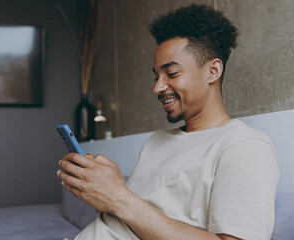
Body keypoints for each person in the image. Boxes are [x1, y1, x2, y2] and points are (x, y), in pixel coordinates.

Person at [57, 3, 279, 240]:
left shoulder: (243, 146)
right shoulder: (157, 141)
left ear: (213, 71)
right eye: (156, 76)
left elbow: (128, 207)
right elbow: (132, 223)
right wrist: (102, 191)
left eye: (171, 74)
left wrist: (119, 197)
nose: (157, 87)